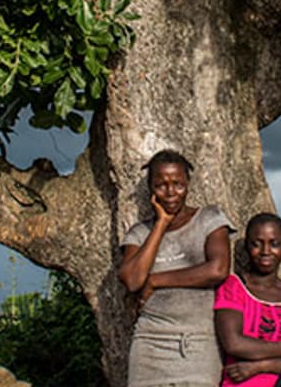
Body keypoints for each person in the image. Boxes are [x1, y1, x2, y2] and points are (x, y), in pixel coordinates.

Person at [119, 150, 234, 387]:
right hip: (149, 343)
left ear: (188, 184)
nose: (170, 192)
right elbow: (131, 280)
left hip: (198, 343)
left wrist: (155, 281)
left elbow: (218, 269)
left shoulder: (209, 219)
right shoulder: (139, 234)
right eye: (161, 185)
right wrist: (161, 224)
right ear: (151, 189)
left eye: (178, 184)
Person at [214, 213, 281, 387]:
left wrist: (259, 366)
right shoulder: (234, 288)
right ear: (247, 247)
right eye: (256, 244)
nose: (265, 251)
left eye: (274, 244)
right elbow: (234, 343)